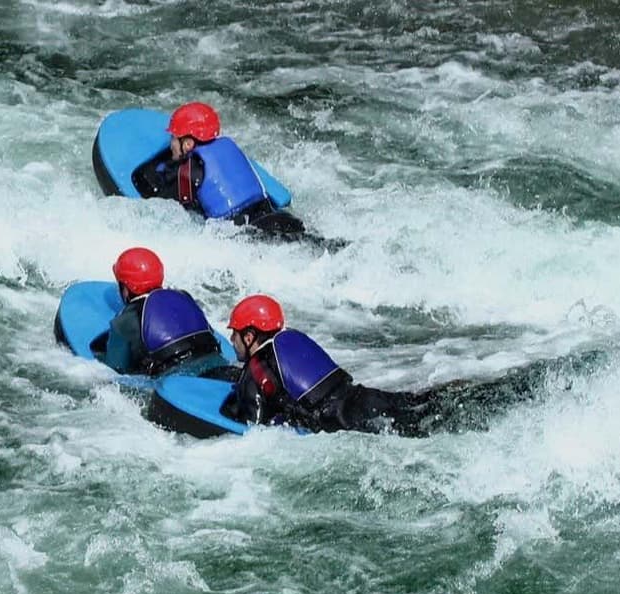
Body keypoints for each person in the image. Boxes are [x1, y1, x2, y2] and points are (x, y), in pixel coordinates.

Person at [224, 294, 433, 436]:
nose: (232, 339)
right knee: (429, 410)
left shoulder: (256, 369)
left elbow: (254, 431)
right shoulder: (293, 339)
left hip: (345, 423)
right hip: (367, 398)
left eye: (235, 333)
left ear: (249, 337)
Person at [130, 102, 307, 237]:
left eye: (174, 139)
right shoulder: (229, 146)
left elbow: (156, 201)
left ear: (188, 144)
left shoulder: (189, 171)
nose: (171, 144)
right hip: (279, 219)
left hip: (249, 236)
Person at [100, 247, 230, 376]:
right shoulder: (183, 296)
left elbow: (115, 370)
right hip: (214, 360)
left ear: (125, 290)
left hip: (174, 379)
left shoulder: (124, 320)